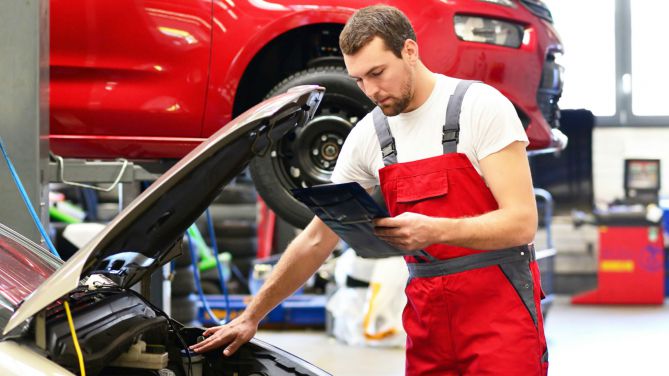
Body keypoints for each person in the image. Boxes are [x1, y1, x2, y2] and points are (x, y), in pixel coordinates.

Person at [190, 5, 548, 375]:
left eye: (378, 73)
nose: (372, 91)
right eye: (359, 80)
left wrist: (435, 229)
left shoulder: (480, 107)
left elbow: (521, 223)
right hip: (428, 321)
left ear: (409, 51)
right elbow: (316, 239)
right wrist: (251, 317)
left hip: (499, 311)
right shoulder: (369, 136)